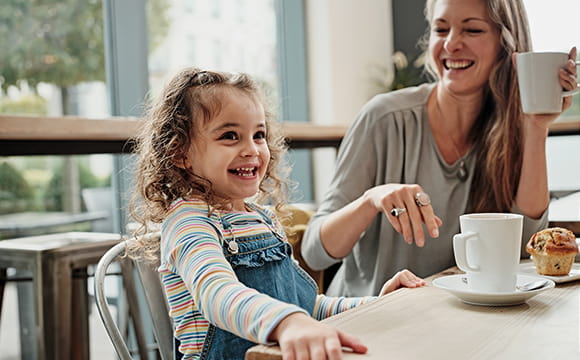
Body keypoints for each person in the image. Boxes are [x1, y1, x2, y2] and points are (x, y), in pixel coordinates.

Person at [130, 67, 426, 360]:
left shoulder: (264, 220)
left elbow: (307, 306)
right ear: (180, 152)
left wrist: (375, 304)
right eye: (231, 136)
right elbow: (217, 295)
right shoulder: (190, 223)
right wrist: (287, 323)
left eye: (259, 135)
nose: (252, 149)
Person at [301, 0, 579, 297]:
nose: (451, 43)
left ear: (506, 45)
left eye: (472, 30)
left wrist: (536, 127)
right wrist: (371, 200)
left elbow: (521, 247)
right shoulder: (384, 118)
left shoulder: (510, 130)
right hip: (366, 318)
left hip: (452, 320)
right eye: (441, 29)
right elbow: (315, 252)